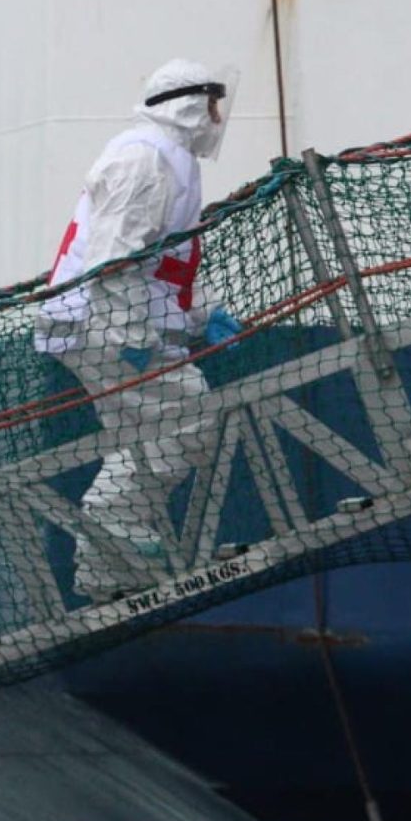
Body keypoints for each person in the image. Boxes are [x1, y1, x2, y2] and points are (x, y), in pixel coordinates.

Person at [34, 59, 240, 601]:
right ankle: (111, 527)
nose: (218, 116)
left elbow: (155, 268)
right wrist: (134, 341)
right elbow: (113, 260)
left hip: (105, 322)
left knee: (140, 439)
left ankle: (107, 567)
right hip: (102, 325)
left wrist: (194, 319)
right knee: (191, 416)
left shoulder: (169, 161)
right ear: (188, 104)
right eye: (213, 104)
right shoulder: (144, 159)